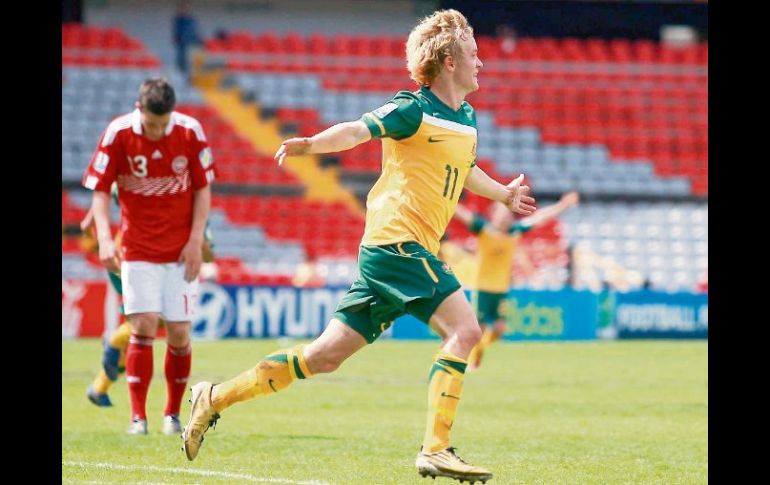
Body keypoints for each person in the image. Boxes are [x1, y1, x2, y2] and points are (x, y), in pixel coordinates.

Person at [182, 10, 535, 483]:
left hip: (393, 254)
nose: (482, 63)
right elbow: (356, 129)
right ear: (449, 62)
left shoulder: (466, 118)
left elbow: (465, 170)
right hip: (398, 244)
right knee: (467, 331)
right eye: (474, 53)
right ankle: (436, 448)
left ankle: (213, 396)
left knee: (323, 357)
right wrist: (311, 144)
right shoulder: (413, 108)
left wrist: (504, 195)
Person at [82, 78, 215, 435]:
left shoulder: (190, 132)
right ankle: (137, 418)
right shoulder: (118, 132)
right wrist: (106, 239)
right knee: (142, 326)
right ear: (138, 109)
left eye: (163, 124)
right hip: (138, 249)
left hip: (180, 251)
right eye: (151, 124)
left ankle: (171, 415)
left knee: (179, 332)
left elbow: (203, 190)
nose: (157, 132)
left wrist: (195, 240)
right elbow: (98, 192)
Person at [82, 201, 216, 419]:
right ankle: (114, 342)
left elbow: (209, 255)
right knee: (149, 322)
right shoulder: (158, 188)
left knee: (148, 330)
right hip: (134, 259)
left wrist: (198, 242)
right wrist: (92, 220)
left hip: (159, 266)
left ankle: (100, 386)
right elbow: (111, 188)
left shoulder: (198, 214)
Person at [454, 192, 579, 370]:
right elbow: (462, 214)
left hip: (501, 289)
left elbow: (540, 218)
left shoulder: (515, 232)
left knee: (499, 329)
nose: (505, 218)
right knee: (477, 330)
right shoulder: (484, 229)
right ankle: (469, 360)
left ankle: (479, 350)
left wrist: (563, 205)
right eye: (501, 214)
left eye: (507, 215)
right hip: (482, 289)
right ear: (494, 215)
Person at [172, 0, 202, 76]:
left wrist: (198, 41)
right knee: (182, 61)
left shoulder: (191, 20)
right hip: (182, 45)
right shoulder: (178, 20)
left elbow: (195, 32)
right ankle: (182, 73)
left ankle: (191, 75)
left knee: (193, 61)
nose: (183, 10)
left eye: (185, 8)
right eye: (182, 8)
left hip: (192, 45)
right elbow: (176, 34)